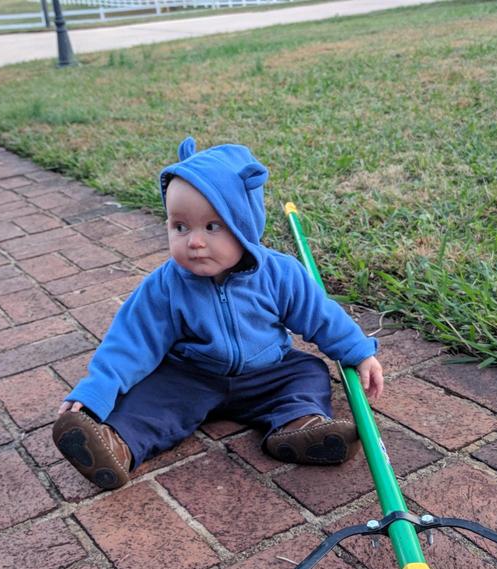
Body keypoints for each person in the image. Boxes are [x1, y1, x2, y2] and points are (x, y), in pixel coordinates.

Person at [53, 137, 384, 490]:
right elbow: (130, 342)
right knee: (149, 397)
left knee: (308, 372)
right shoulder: (164, 286)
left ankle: (299, 426)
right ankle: (116, 445)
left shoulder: (279, 275)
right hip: (192, 375)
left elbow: (320, 315)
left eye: (212, 227)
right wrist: (95, 393)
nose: (194, 242)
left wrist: (358, 352)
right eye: (180, 227)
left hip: (267, 373)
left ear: (244, 226)